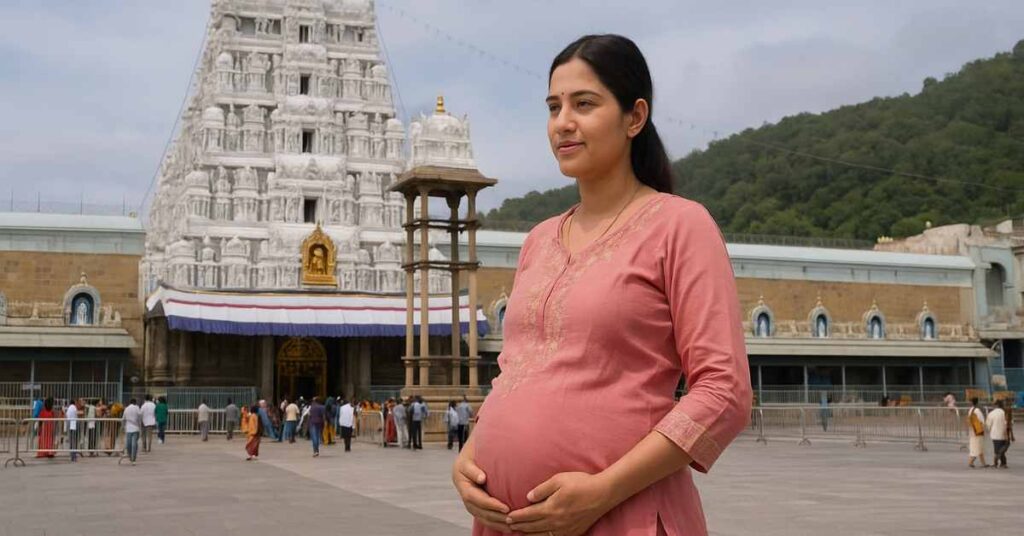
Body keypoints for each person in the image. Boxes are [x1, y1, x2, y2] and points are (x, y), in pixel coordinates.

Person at [454, 35, 751, 536]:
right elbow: (518, 371)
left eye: (584, 104)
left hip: (622, 516)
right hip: (507, 523)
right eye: (554, 107)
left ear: (634, 117)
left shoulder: (679, 226)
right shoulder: (539, 240)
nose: (562, 122)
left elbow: (724, 391)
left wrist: (604, 490)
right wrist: (471, 453)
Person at [986, 399, 1010, 468]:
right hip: (1004, 434)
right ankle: (1003, 463)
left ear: (996, 405)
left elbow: (988, 425)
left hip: (995, 435)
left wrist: (989, 430)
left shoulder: (991, 413)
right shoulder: (1004, 412)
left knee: (997, 451)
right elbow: (1009, 423)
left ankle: (996, 463)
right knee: (1001, 450)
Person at [967, 397, 989, 468]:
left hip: (972, 430)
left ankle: (983, 463)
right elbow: (982, 421)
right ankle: (971, 461)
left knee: (978, 447)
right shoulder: (977, 410)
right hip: (978, 431)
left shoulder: (970, 410)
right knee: (978, 447)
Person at [122, 398, 142, 465]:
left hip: (128, 429)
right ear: (135, 403)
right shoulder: (137, 408)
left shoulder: (126, 409)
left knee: (129, 444)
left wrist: (123, 427)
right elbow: (139, 418)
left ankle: (130, 456)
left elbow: (123, 419)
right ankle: (134, 459)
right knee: (134, 444)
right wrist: (140, 427)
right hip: (136, 428)